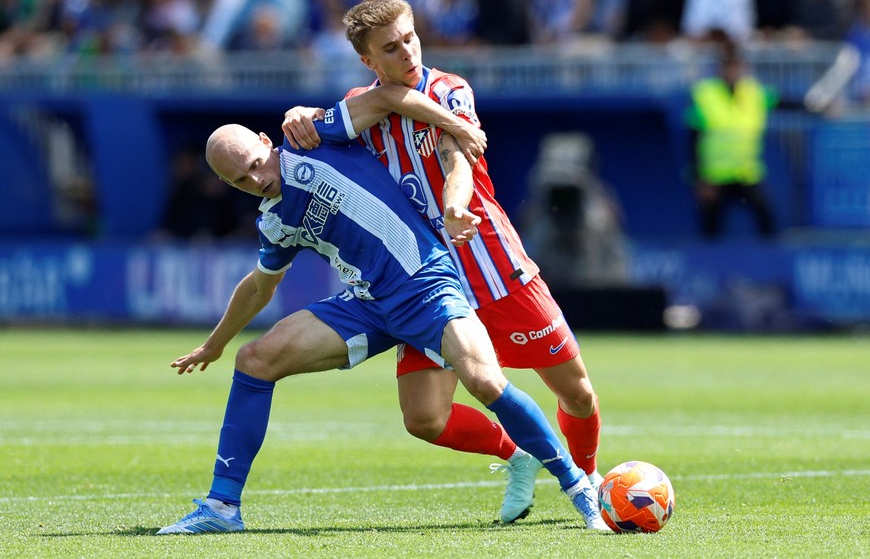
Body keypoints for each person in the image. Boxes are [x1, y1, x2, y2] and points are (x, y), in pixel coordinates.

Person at [157, 112, 608, 534]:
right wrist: (214, 345)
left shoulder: (313, 140)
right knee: (255, 359)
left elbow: (388, 98)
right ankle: (222, 507)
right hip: (368, 303)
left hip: (425, 284)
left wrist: (451, 123)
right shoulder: (275, 221)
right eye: (239, 180)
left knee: (485, 382)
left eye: (256, 165)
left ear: (265, 142)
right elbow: (259, 287)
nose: (257, 180)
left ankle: (578, 486)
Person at [282, 0, 605, 525]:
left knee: (577, 393)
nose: (407, 51)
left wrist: (456, 207)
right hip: (428, 279)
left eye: (410, 37)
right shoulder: (363, 105)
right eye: (390, 47)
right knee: (424, 419)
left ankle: (587, 476)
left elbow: (457, 155)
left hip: (493, 265)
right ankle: (517, 454)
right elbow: (330, 125)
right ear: (368, 60)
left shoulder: (450, 89)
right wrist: (304, 115)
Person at [686, 38, 777, 238]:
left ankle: (771, 265)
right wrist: (700, 178)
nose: (733, 72)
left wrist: (816, 106)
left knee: (766, 216)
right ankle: (707, 267)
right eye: (729, 67)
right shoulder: (705, 95)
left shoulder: (754, 93)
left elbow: (782, 101)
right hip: (715, 176)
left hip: (746, 173)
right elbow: (693, 139)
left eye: (737, 67)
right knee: (710, 227)